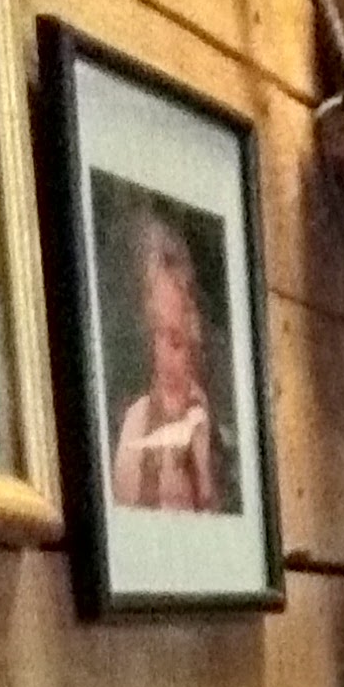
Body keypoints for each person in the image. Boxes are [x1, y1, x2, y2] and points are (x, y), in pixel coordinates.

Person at [110, 207, 228, 514]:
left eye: (177, 341)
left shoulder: (205, 423)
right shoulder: (135, 423)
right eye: (156, 336)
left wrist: (202, 470)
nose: (164, 359)